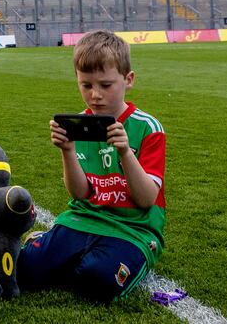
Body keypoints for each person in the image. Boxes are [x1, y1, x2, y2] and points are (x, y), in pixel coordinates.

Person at [17, 30, 166, 303]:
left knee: (97, 282)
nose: (95, 95)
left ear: (128, 80)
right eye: (86, 85)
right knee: (25, 270)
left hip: (132, 229)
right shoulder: (81, 124)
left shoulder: (148, 128)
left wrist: (124, 152)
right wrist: (67, 151)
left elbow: (146, 200)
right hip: (83, 219)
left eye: (106, 85)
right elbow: (80, 194)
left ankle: (85, 257)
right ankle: (57, 247)